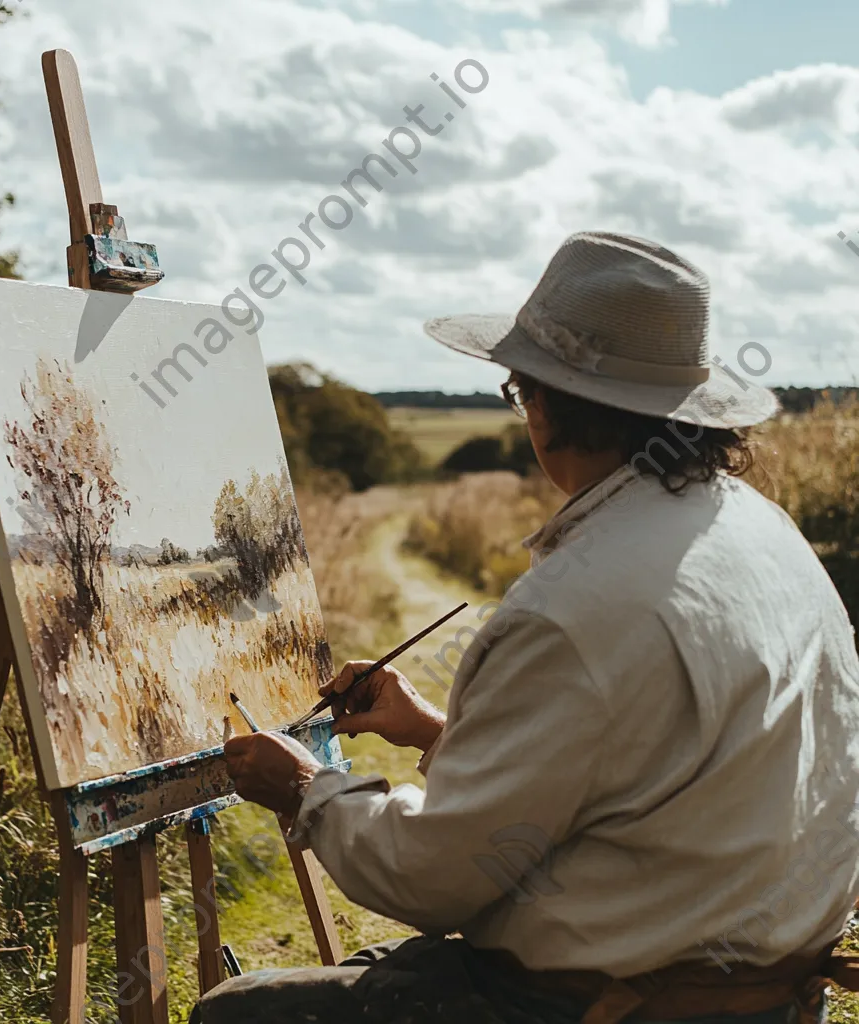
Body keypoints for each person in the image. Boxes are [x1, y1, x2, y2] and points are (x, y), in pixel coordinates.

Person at [196, 232, 859, 1024]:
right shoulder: (766, 532)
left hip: (599, 1005)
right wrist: (436, 734)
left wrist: (308, 790)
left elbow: (433, 880)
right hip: (772, 997)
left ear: (543, 401)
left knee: (234, 1012)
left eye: (519, 391)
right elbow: (636, 775)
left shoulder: (574, 607)